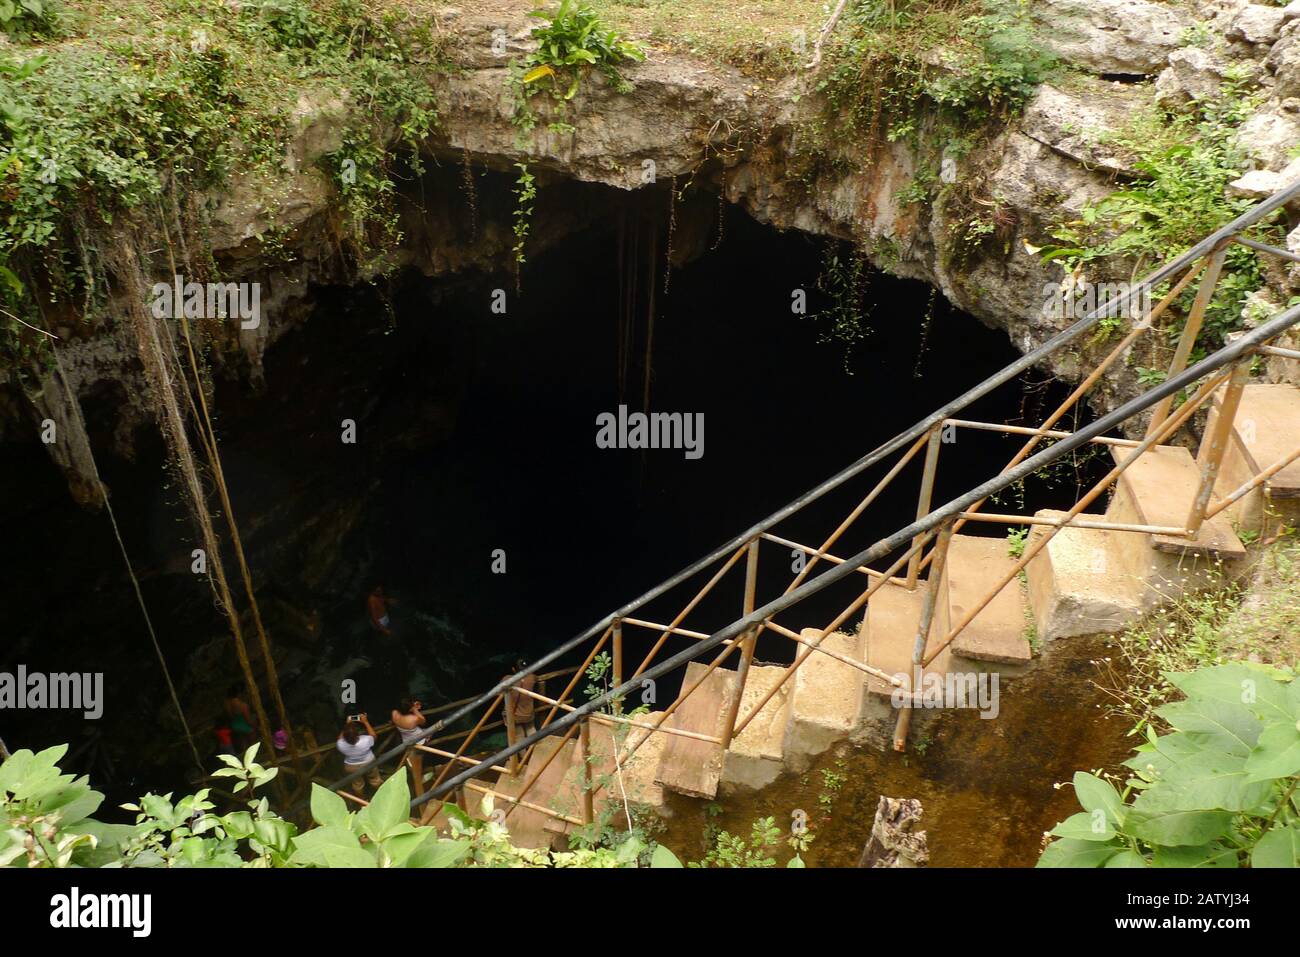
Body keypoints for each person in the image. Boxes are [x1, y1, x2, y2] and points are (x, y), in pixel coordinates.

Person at [336, 713, 383, 796]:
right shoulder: (365, 740)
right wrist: (365, 722)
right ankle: (382, 795)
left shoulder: (340, 744)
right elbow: (374, 736)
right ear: (357, 734)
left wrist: (347, 725)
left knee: (357, 785)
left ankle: (362, 802)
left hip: (352, 766)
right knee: (375, 779)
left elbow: (340, 738)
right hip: (369, 762)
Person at [392, 697, 428, 796]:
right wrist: (415, 709)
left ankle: (412, 767)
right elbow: (423, 721)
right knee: (418, 762)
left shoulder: (394, 714)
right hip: (418, 742)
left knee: (411, 758)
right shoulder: (412, 719)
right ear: (409, 709)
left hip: (407, 740)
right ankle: (418, 777)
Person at [505, 659, 538, 743]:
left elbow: (499, 691)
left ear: (513, 669)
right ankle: (534, 751)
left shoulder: (507, 679)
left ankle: (524, 756)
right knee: (531, 729)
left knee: (519, 735)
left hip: (515, 715)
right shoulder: (532, 677)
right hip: (529, 713)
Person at [223, 684, 256, 752]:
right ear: (239, 693)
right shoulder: (243, 705)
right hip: (244, 726)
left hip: (234, 725)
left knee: (243, 742)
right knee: (252, 738)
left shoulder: (227, 704)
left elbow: (230, 716)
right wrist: (255, 726)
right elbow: (248, 720)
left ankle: (244, 751)